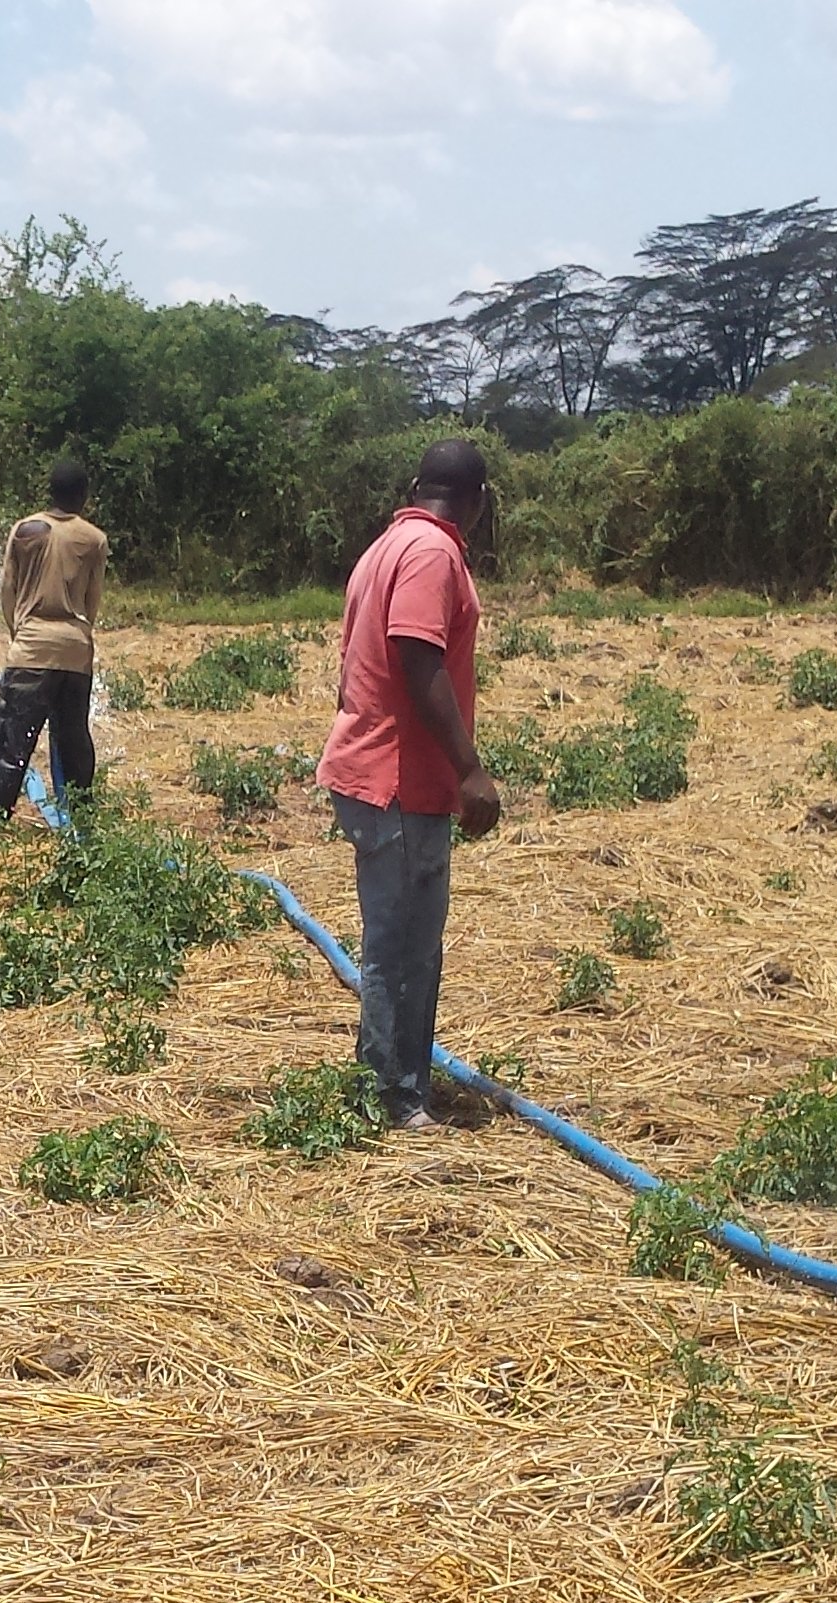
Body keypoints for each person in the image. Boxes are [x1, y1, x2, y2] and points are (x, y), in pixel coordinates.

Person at [317, 438, 503, 1130]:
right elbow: (417, 655)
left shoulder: (386, 547)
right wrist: (469, 769)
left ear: (417, 484)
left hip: (378, 771)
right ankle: (394, 1098)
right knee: (402, 945)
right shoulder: (431, 555)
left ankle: (394, 1078)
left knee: (401, 940)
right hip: (398, 779)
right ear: (477, 501)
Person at [0, 458, 109, 818]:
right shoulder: (95, 539)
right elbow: (91, 603)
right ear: (84, 496)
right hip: (74, 651)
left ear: (49, 492)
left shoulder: (24, 529)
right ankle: (80, 820)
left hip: (30, 647)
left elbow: (7, 589)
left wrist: (19, 633)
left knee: (10, 747)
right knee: (73, 746)